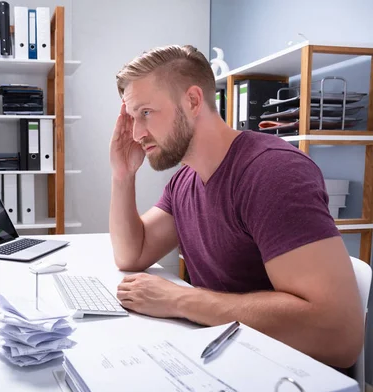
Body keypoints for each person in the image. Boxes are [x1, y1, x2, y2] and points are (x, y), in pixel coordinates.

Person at [109, 44, 364, 369]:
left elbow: (339, 335)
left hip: (288, 376)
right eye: (131, 118)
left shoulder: (272, 173)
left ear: (192, 101)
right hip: (230, 359)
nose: (136, 133)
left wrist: (180, 299)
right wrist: (122, 175)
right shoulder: (184, 181)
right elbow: (132, 253)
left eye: (145, 112)